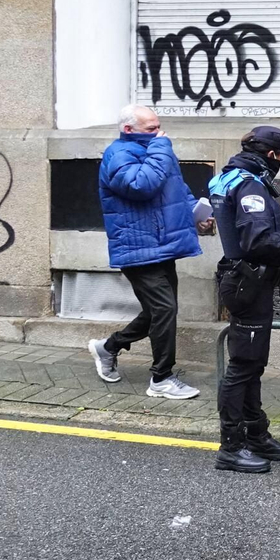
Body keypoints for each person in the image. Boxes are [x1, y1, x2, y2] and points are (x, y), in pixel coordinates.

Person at [207, 127, 280, 474]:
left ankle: (256, 434)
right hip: (249, 283)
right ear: (273, 156)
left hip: (246, 280)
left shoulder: (231, 177)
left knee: (252, 365)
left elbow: (245, 227)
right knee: (242, 368)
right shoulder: (251, 185)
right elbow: (259, 242)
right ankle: (231, 447)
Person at [87, 105, 206, 400]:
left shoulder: (155, 149)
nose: (159, 132)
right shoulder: (118, 155)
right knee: (164, 310)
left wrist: (194, 211)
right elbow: (141, 185)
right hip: (137, 246)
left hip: (162, 244)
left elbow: (174, 186)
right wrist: (161, 146)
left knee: (160, 311)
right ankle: (161, 379)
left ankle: (109, 347)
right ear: (129, 129)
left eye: (158, 127)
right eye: (151, 128)